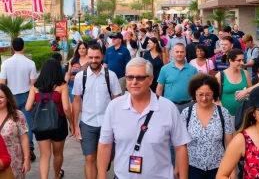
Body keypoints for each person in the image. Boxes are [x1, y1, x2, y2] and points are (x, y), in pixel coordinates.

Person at [97, 58, 191, 179]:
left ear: (151, 79)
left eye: (140, 77)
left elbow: (180, 147)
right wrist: (101, 175)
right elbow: (105, 145)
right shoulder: (114, 107)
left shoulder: (168, 108)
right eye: (130, 77)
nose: (134, 82)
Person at [73, 44, 121, 179]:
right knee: (90, 158)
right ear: (86, 57)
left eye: (97, 57)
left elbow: (117, 100)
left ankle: (103, 167)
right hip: (87, 123)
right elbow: (76, 101)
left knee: (108, 157)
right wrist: (75, 125)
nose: (94, 60)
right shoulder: (80, 77)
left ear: (102, 57)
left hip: (108, 124)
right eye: (91, 57)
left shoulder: (111, 76)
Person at [25, 58, 73, 179]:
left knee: (44, 155)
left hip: (40, 125)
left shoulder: (35, 87)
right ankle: (57, 176)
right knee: (57, 154)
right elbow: (67, 108)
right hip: (59, 124)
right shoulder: (62, 86)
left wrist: (40, 105)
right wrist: (72, 123)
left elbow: (28, 107)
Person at [181, 73, 234, 178]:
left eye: (208, 94)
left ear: (214, 94)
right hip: (193, 167)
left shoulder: (223, 113)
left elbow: (230, 146)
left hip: (219, 168)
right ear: (194, 94)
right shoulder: (187, 113)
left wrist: (232, 173)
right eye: (200, 94)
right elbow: (181, 145)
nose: (204, 98)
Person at [0, 37, 37, 161]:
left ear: (12, 47)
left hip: (11, 96)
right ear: (23, 46)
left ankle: (12, 147)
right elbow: (33, 84)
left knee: (10, 122)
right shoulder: (30, 63)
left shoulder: (5, 63)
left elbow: (2, 83)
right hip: (27, 95)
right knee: (27, 123)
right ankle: (30, 148)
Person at [0, 84, 31, 178]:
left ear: (8, 98)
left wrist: (26, 159)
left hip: (15, 159)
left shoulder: (17, 115)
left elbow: (24, 138)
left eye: (1, 97)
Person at [156, 43, 198, 112]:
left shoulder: (193, 69)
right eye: (177, 52)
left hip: (189, 105)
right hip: (169, 104)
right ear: (173, 53)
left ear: (185, 53)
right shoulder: (165, 69)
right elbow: (159, 88)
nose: (179, 54)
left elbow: (197, 87)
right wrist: (158, 103)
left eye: (182, 52)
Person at [216, 49, 251, 123]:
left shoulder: (245, 73)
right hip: (227, 115)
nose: (242, 63)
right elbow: (215, 97)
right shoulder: (220, 76)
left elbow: (251, 90)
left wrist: (245, 93)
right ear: (230, 61)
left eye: (243, 60)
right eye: (238, 60)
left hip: (244, 114)